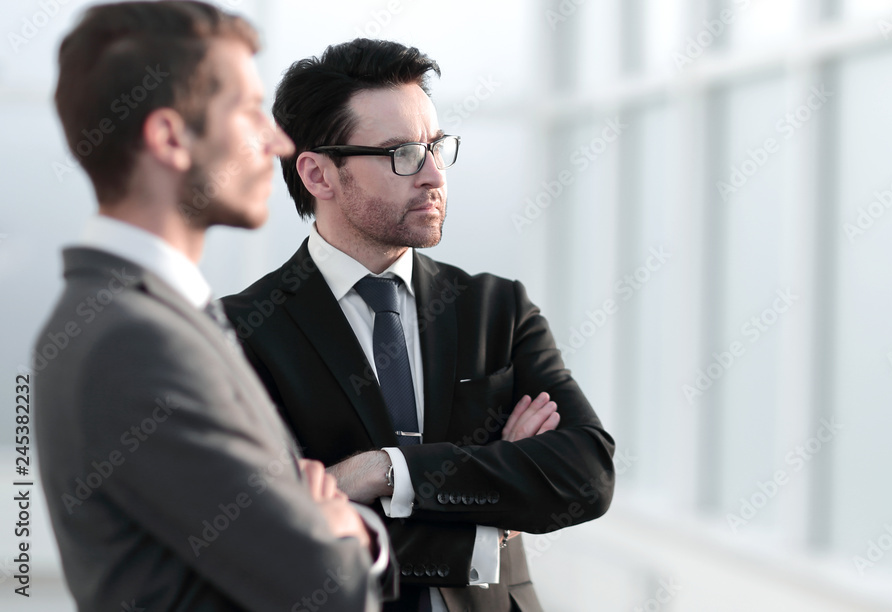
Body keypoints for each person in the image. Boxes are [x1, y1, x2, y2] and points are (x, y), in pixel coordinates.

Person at [222, 38, 616, 612]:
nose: (433, 174)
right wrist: (493, 506)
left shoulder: (497, 309)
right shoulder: (241, 331)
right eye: (402, 153)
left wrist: (382, 471)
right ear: (318, 174)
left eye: (436, 146)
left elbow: (586, 475)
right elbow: (268, 529)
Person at [35, 4, 392, 611]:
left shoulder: (145, 315)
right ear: (170, 138)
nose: (278, 142)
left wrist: (322, 520)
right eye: (250, 111)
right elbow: (324, 589)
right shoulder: (135, 340)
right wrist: (349, 528)